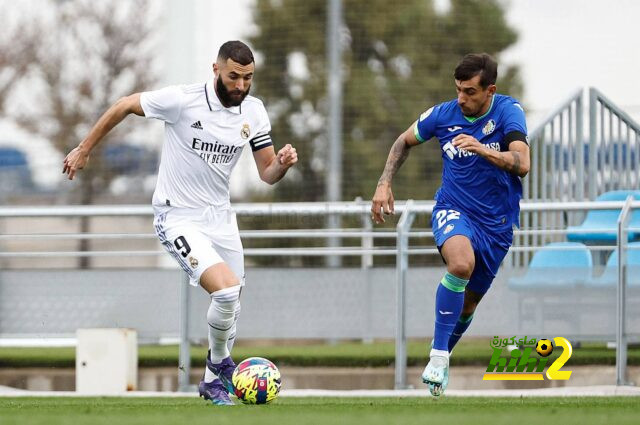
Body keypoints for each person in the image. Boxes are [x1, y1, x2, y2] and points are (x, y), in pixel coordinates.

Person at [63, 40, 298, 405]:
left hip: (221, 218)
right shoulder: (182, 100)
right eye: (233, 76)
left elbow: (267, 173)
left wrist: (282, 163)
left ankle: (210, 382)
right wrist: (84, 148)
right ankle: (220, 363)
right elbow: (125, 104)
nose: (240, 86)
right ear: (216, 69)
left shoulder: (254, 110)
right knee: (224, 291)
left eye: (247, 78)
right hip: (177, 216)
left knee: (232, 300)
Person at [370, 53, 529, 396]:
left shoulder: (508, 112)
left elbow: (523, 162)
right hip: (453, 209)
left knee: (468, 305)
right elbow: (403, 140)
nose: (462, 98)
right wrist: (384, 182)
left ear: (490, 90)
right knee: (461, 263)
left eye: (470, 91)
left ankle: (441, 356)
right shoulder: (443, 115)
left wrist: (483, 149)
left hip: (497, 226)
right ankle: (438, 357)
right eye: (458, 89)